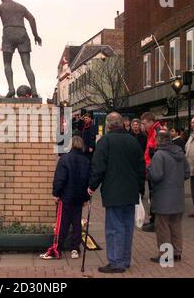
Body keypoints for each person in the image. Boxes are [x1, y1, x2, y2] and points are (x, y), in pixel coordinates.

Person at [88, 112, 145, 273]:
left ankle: (116, 262)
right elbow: (141, 168)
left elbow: (98, 167)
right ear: (122, 124)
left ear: (108, 125)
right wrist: (140, 188)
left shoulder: (105, 141)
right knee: (127, 227)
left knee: (114, 228)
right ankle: (125, 259)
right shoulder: (132, 141)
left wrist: (92, 186)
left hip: (114, 192)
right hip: (131, 191)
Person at [40, 136, 91, 260]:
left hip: (66, 196)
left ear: (71, 144)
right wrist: (85, 198)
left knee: (62, 223)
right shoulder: (86, 161)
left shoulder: (65, 159)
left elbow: (60, 179)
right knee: (76, 223)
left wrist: (56, 194)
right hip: (79, 197)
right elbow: (87, 181)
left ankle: (56, 249)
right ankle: (75, 249)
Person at [0, 0, 42, 98]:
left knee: (7, 64)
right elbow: (32, 19)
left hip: (8, 33)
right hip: (22, 33)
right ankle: (34, 90)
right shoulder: (21, 7)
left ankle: (11, 88)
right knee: (27, 65)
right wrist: (36, 35)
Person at [148, 130, 190, 263]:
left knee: (163, 226)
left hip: (163, 196)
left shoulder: (159, 155)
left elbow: (156, 176)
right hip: (177, 195)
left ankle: (166, 255)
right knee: (176, 225)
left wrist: (149, 170)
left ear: (159, 140)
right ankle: (177, 252)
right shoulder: (180, 153)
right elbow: (187, 173)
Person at [140, 112, 162, 232]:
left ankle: (155, 221)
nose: (142, 126)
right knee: (152, 194)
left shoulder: (157, 132)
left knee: (155, 194)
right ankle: (153, 219)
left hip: (154, 167)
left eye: (144, 123)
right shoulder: (151, 132)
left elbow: (159, 150)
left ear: (150, 122)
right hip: (150, 166)